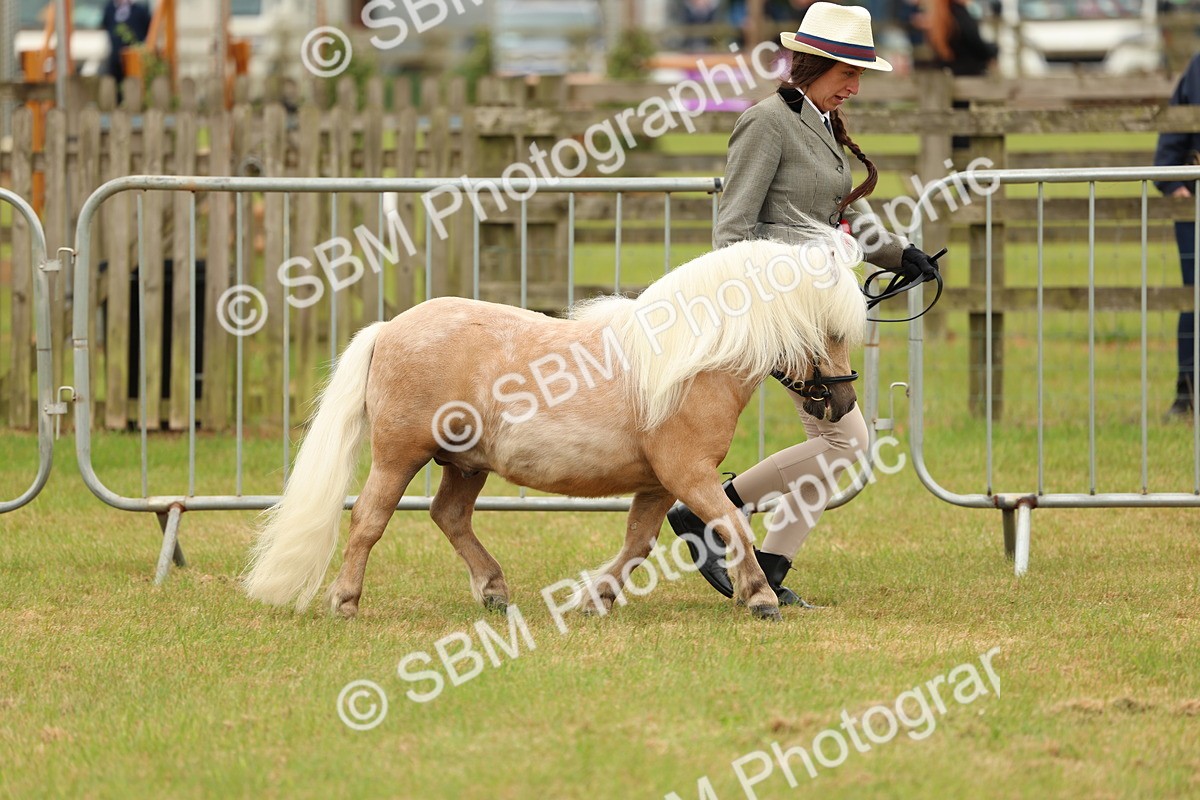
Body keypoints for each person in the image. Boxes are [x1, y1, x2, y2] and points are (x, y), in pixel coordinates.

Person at [667, 2, 942, 606]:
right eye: (847, 72)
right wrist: (763, 305)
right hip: (780, 311)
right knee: (848, 441)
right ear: (814, 64)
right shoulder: (766, 122)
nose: (855, 85)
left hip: (820, 307)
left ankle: (767, 564)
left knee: (836, 444)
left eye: (859, 74)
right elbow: (732, 233)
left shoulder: (820, 120)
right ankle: (714, 511)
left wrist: (900, 254)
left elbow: (839, 215)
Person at [1154, 52, 1200, 420]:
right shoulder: (1197, 68)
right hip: (1194, 203)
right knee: (1194, 295)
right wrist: (1174, 183)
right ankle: (1187, 393)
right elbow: (1172, 137)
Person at [919, 0, 996, 151]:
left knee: (952, 129)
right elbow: (976, 43)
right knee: (964, 128)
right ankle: (962, 162)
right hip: (967, 79)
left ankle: (952, 161)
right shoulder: (959, 13)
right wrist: (994, 49)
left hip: (949, 78)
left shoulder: (941, 14)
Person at [101, 0, 152, 88]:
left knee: (134, 84)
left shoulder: (139, 10)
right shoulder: (110, 9)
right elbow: (106, 25)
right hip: (115, 57)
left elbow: (148, 29)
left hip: (135, 57)